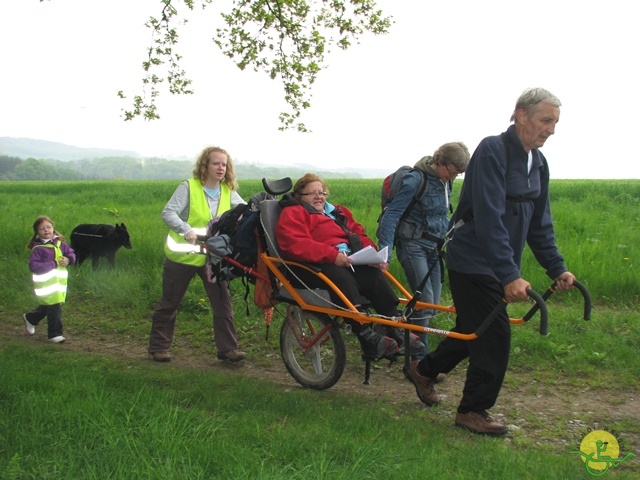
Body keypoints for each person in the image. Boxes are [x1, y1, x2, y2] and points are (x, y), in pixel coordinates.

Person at [405, 88, 576, 436]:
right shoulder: (493, 151)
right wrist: (509, 273)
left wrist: (556, 267)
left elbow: (540, 222)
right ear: (522, 115)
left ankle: (423, 369)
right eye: (546, 120)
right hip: (472, 259)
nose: (551, 130)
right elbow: (488, 217)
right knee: (494, 335)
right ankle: (472, 410)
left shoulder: (538, 163)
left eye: (555, 123)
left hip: (498, 263)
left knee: (474, 330)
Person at [275, 173, 425, 361]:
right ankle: (367, 337)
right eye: (312, 193)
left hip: (347, 260)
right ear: (299, 196)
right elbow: (294, 244)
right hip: (312, 266)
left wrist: (373, 255)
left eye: (322, 192)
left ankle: (394, 327)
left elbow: (359, 234)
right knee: (341, 278)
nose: (318, 196)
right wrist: (333, 255)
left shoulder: (338, 212)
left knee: (374, 276)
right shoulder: (295, 212)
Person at [148, 146, 247, 363]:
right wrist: (186, 229)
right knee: (170, 302)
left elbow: (244, 212)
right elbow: (168, 212)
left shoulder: (228, 191)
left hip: (212, 259)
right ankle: (158, 347)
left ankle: (228, 349)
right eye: (216, 163)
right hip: (182, 257)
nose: (221, 168)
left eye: (224, 164)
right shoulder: (189, 187)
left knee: (223, 302)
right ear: (205, 165)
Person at [377, 142, 470, 358]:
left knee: (431, 305)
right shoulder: (415, 180)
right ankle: (418, 363)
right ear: (440, 160)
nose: (453, 178)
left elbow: (442, 217)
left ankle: (392, 332)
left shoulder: (445, 182)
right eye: (452, 172)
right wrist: (384, 254)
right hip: (413, 246)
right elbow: (391, 216)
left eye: (457, 174)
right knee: (424, 304)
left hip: (434, 248)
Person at [23, 215, 76, 344]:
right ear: (37, 232)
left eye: (49, 227)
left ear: (53, 228)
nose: (46, 230)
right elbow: (34, 266)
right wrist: (54, 264)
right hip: (46, 284)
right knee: (54, 306)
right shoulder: (38, 249)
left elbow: (71, 253)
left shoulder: (60, 243)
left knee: (50, 305)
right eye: (42, 228)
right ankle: (54, 334)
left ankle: (31, 318)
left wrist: (68, 260)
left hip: (58, 283)